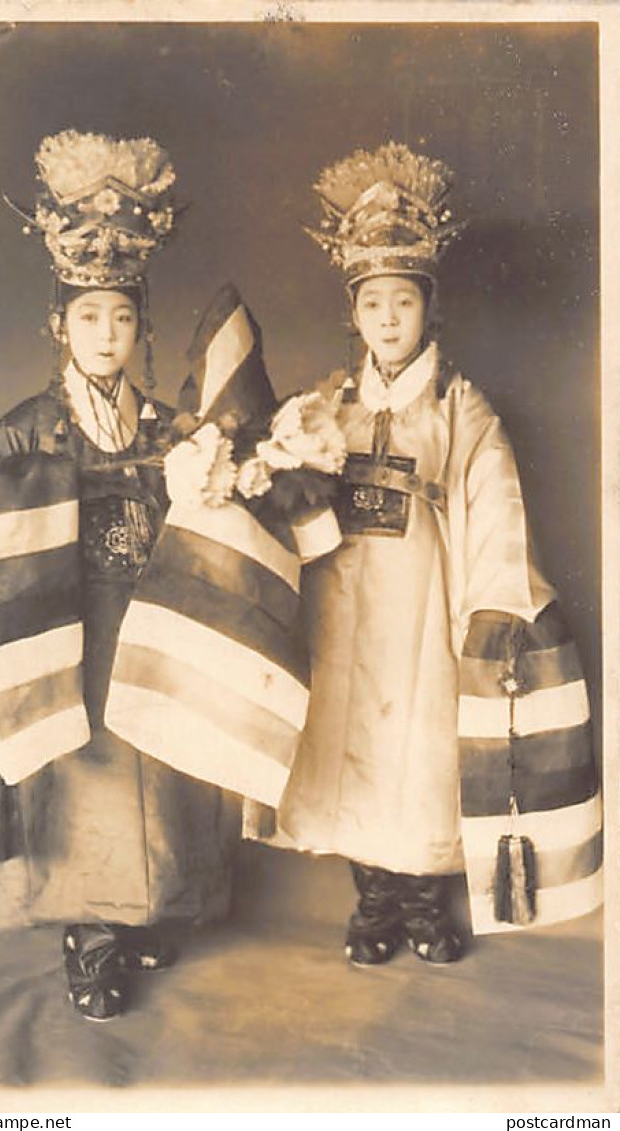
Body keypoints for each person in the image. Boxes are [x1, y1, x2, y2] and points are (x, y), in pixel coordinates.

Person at [255, 141, 602, 964]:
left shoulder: (460, 409)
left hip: (424, 610)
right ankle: (372, 898)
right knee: (347, 741)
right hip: (342, 607)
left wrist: (494, 608)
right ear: (354, 312)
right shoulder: (324, 407)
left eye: (403, 304)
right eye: (372, 304)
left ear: (427, 311)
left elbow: (498, 505)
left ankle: (421, 897)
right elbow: (282, 499)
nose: (387, 321)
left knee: (420, 748)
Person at [0, 130, 240, 1022]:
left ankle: (150, 910)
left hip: (151, 623)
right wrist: (44, 490)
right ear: (58, 325)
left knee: (164, 764)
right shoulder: (31, 428)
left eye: (122, 317)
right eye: (88, 317)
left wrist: (220, 473)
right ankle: (90, 936)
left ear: (140, 325)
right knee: (85, 776)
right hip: (72, 628)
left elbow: (224, 490)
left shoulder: (165, 426)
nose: (106, 335)